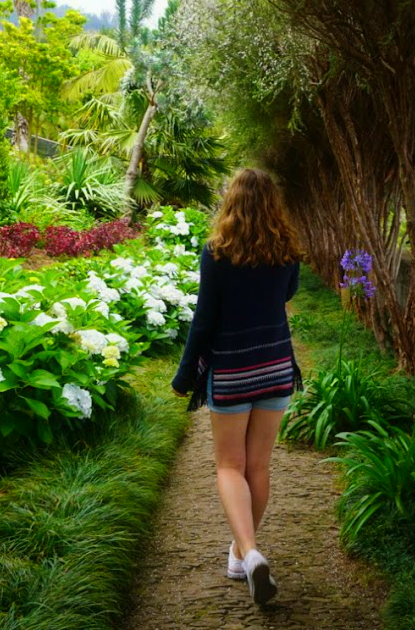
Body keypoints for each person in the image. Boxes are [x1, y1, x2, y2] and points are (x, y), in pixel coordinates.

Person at [172, 167, 302, 606]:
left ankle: (247, 552)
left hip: (232, 371)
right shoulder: (287, 251)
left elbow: (204, 319)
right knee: (258, 467)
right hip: (277, 366)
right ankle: (241, 554)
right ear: (273, 204)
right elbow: (288, 294)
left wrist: (186, 373)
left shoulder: (217, 252)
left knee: (230, 466)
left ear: (231, 202)